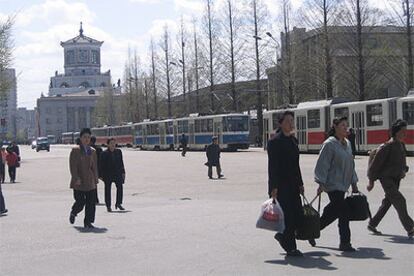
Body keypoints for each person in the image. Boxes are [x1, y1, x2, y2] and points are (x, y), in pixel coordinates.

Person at [314, 117, 359, 252]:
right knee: (343, 211)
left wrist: (354, 182)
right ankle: (345, 242)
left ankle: (312, 230)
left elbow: (351, 164)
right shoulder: (329, 144)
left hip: (343, 184)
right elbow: (323, 164)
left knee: (332, 212)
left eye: (347, 125)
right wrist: (321, 182)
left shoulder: (347, 144)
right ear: (335, 126)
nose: (346, 128)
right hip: (332, 184)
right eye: (343, 125)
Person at [367, 119, 414, 237]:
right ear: (396, 132)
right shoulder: (387, 146)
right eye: (403, 131)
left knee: (388, 202)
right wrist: (371, 181)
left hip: (396, 179)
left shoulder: (401, 145)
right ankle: (410, 227)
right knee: (400, 200)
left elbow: (401, 162)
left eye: (406, 131)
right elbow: (375, 165)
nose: (405, 134)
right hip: (386, 179)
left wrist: (404, 169)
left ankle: (373, 223)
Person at [267, 111, 305, 257]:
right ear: (281, 123)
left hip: (294, 184)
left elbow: (296, 165)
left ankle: (282, 236)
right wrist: (273, 188)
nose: (291, 123)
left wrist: (300, 183)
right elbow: (273, 167)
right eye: (288, 121)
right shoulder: (275, 142)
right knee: (288, 216)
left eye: (292, 121)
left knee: (297, 215)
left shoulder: (293, 141)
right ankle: (291, 248)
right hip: (281, 185)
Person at [69, 128, 99, 229]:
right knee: (80, 202)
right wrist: (75, 177)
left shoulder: (92, 151)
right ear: (80, 138)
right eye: (84, 137)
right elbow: (73, 166)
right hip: (79, 181)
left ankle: (88, 221)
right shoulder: (75, 150)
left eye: (88, 137)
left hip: (90, 181)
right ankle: (74, 212)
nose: (86, 139)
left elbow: (94, 166)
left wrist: (96, 177)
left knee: (91, 202)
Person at [99, 138, 126, 212]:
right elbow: (101, 165)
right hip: (107, 175)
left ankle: (118, 203)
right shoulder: (104, 153)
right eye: (111, 143)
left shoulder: (118, 152)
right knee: (107, 190)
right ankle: (108, 205)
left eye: (114, 143)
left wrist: (123, 172)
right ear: (108, 144)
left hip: (117, 173)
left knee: (120, 187)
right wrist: (100, 175)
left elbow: (121, 163)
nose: (113, 145)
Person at [90, 136, 103, 205]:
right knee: (94, 185)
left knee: (90, 186)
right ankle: (95, 199)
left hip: (90, 170)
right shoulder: (99, 149)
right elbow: (102, 161)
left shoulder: (88, 149)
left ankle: (92, 199)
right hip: (96, 169)